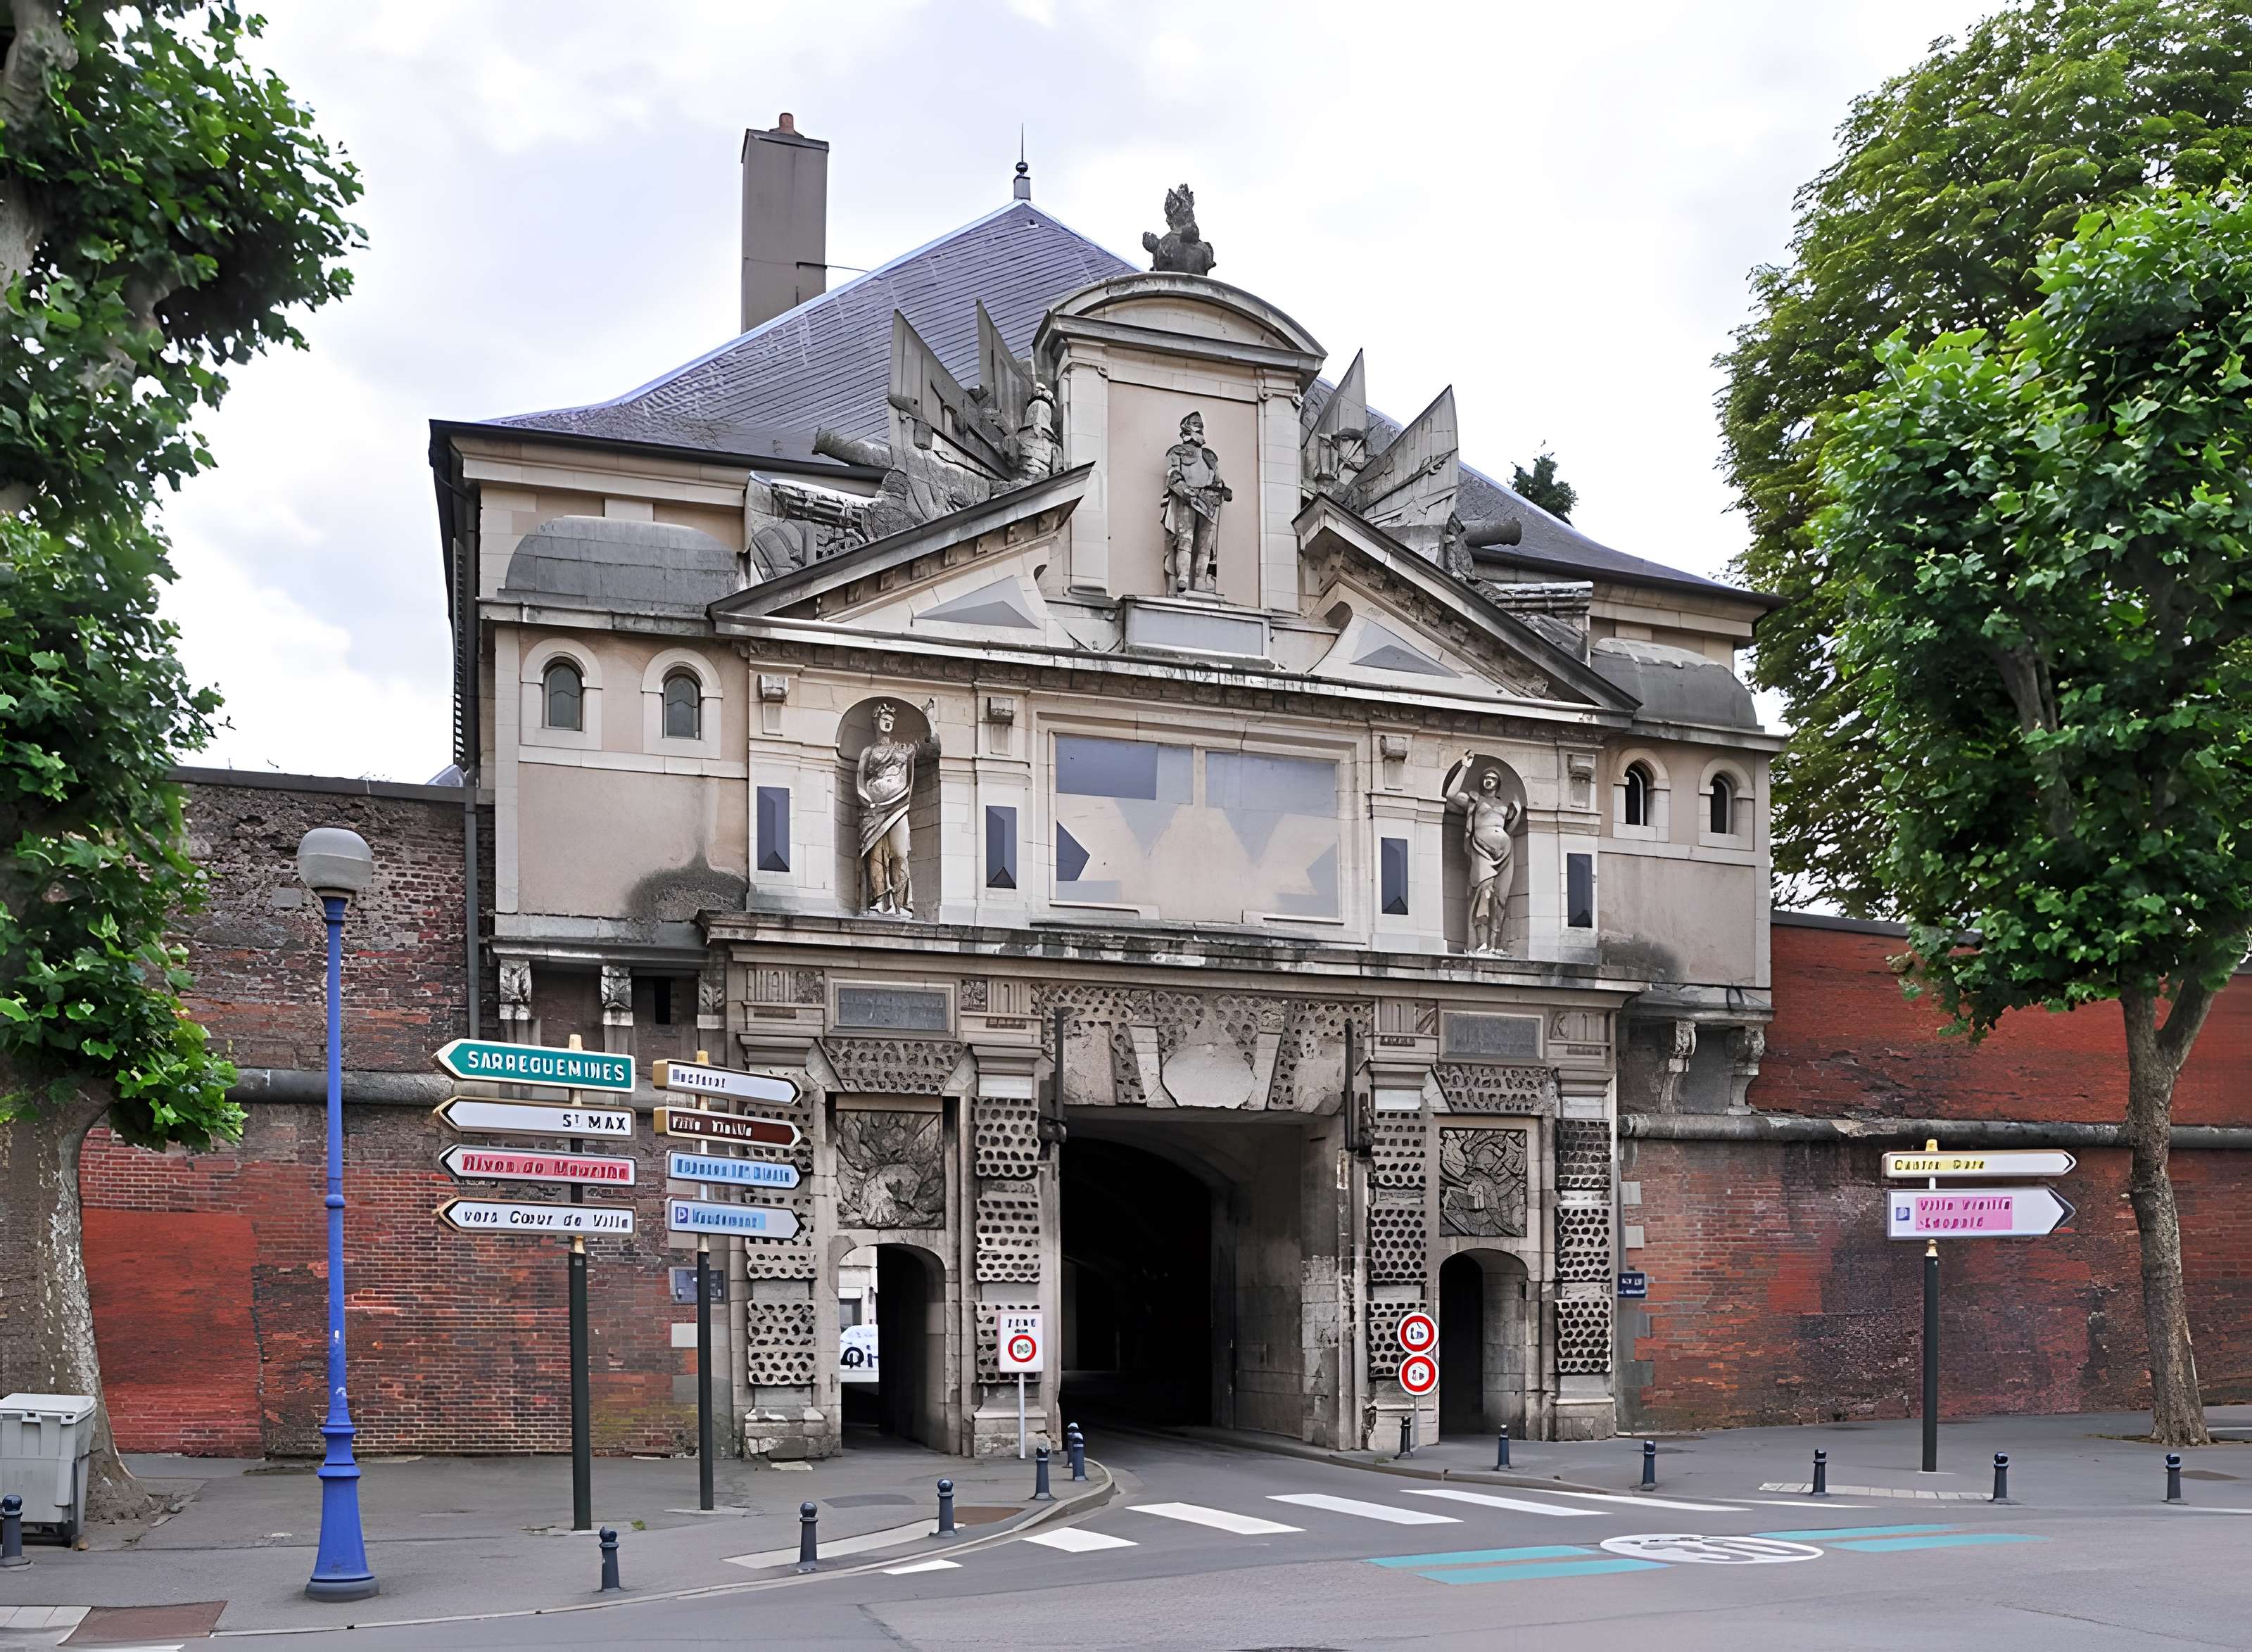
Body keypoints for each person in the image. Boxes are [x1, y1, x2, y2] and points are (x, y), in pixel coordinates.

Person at [856, 700, 937, 916]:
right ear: (876, 722)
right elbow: (860, 782)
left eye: (890, 719)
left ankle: (902, 904)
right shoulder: (868, 752)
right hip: (873, 812)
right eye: (883, 719)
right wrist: (869, 802)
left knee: (900, 853)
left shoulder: (904, 749)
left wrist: (930, 718)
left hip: (899, 807)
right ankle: (880, 901)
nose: (887, 722)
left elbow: (934, 749)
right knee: (876, 854)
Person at [1443, 755, 1523, 954]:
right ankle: (1480, 942)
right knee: (1485, 893)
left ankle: (1495, 944)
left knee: (1499, 897)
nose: (1489, 780)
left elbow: (1510, 830)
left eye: (1493, 778)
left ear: (1498, 783)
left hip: (1504, 853)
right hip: (1481, 850)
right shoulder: (1474, 800)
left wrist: (1518, 812)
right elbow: (1451, 794)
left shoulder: (1504, 806)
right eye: (1486, 777)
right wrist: (1464, 767)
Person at [1160, 412, 1231, 595]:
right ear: (1186, 428)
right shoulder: (1176, 451)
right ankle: (1183, 577)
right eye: (1195, 424)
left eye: (1200, 425)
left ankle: (1201, 582)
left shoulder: (1210, 456)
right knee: (1186, 538)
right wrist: (1188, 493)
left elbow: (1216, 480)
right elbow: (1173, 476)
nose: (1199, 427)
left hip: (1210, 502)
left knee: (1206, 546)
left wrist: (1223, 490)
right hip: (1188, 500)